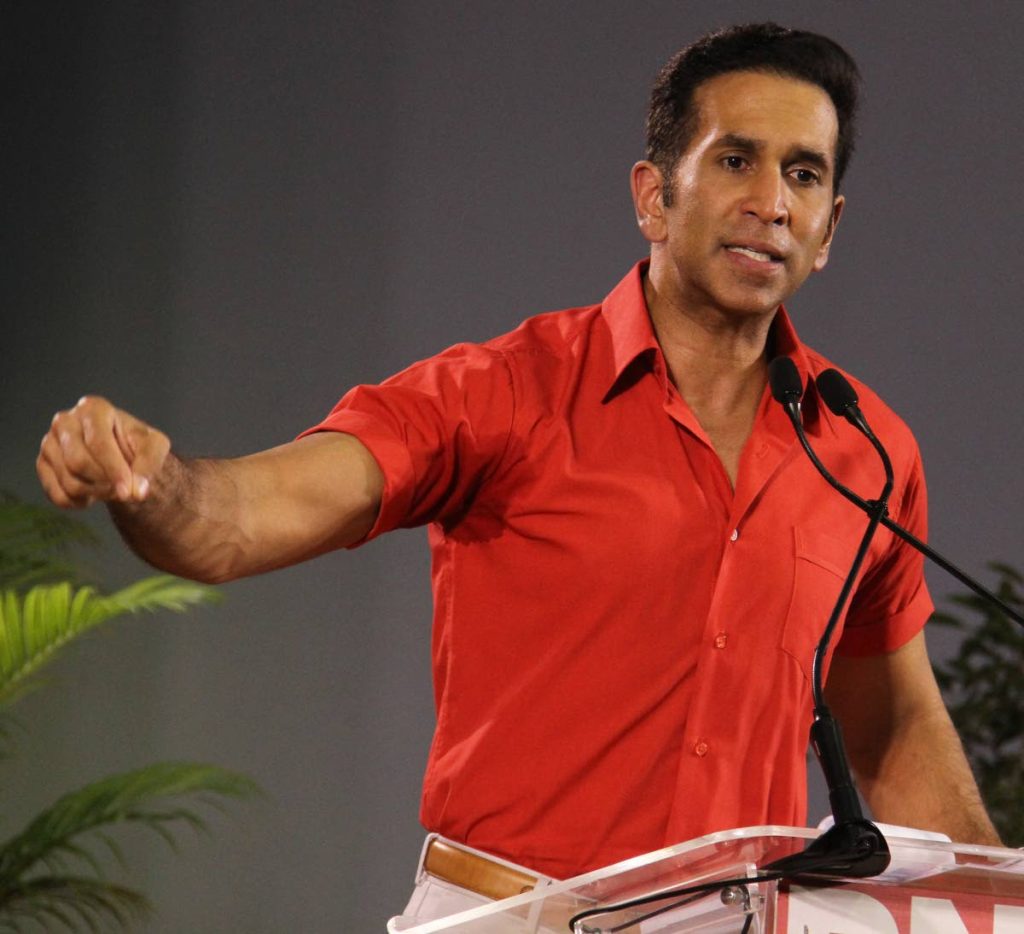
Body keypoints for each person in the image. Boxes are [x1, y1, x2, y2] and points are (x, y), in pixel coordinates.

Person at [36, 22, 999, 929]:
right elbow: (237, 520)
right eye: (736, 160)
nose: (771, 202)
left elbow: (896, 731)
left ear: (828, 229)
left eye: (803, 174)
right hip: (510, 917)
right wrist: (152, 483)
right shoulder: (500, 394)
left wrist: (1003, 907)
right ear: (655, 195)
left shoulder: (864, 449)